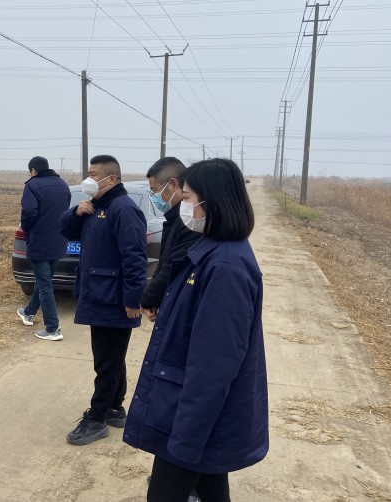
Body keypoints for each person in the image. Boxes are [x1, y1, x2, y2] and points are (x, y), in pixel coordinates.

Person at [123, 158, 268, 502]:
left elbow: (213, 367)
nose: (183, 206)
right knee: (211, 489)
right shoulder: (210, 252)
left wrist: (185, 440)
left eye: (187, 198)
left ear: (212, 202)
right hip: (195, 415)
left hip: (193, 419)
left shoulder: (226, 267)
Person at [59, 155, 148, 446]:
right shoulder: (95, 206)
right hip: (99, 294)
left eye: (94, 174)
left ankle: (97, 418)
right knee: (111, 357)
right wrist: (76, 212)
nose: (88, 179)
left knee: (106, 361)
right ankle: (115, 407)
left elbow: (135, 258)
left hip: (114, 298)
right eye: (88, 173)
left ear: (112, 179)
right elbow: (66, 231)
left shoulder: (124, 209)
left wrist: (133, 299)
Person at [16, 156, 72, 341]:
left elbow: (29, 212)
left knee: (45, 284)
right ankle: (29, 313)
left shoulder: (32, 186)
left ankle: (52, 328)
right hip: (59, 241)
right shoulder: (63, 184)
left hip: (40, 242)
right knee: (44, 280)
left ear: (33, 170)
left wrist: (27, 228)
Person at [140, 157, 202, 321]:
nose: (154, 196)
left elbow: (172, 266)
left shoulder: (190, 220)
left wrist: (148, 299)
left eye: (155, 190)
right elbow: (164, 262)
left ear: (174, 184)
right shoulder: (174, 217)